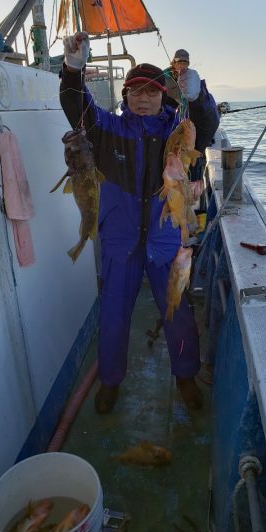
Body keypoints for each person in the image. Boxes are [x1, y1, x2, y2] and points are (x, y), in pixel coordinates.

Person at [59, 32, 220, 414]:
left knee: (178, 313)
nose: (144, 99)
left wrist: (198, 96)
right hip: (119, 240)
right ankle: (111, 380)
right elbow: (75, 107)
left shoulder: (176, 130)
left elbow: (206, 126)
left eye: (151, 92)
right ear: (125, 97)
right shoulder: (107, 129)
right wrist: (71, 71)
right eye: (135, 92)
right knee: (114, 314)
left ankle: (184, 376)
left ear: (163, 96)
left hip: (165, 239)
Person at [164, 49, 220, 182]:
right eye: (179, 61)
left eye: (186, 62)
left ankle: (193, 185)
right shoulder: (164, 79)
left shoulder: (192, 79)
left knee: (195, 159)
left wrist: (197, 94)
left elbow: (206, 109)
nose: (183, 65)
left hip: (189, 130)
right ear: (173, 62)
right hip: (174, 131)